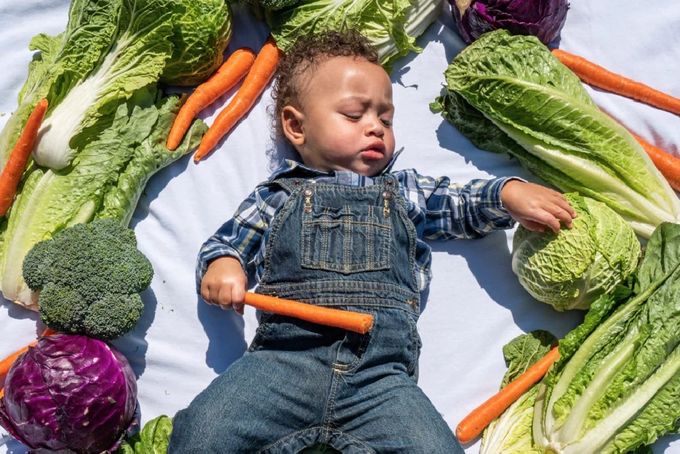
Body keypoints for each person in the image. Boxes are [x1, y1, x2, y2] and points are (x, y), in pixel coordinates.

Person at [169, 30, 575, 453]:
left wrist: (505, 194)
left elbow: (456, 202)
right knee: (201, 433)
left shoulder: (402, 191)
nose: (375, 129)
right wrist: (224, 266)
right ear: (296, 125)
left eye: (385, 118)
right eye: (353, 114)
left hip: (378, 378)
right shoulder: (277, 196)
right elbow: (227, 243)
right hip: (282, 363)